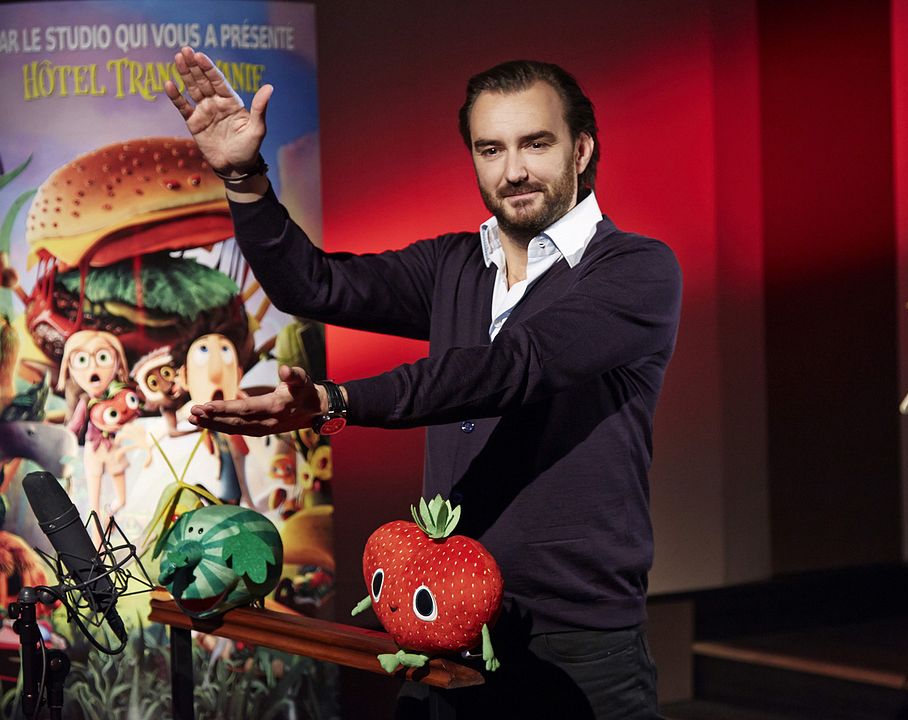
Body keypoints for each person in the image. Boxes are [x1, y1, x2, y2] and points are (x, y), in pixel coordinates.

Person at [165, 46, 681, 719]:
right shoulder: (454, 265)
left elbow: (511, 367)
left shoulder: (637, 270)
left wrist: (336, 401)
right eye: (490, 149)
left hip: (575, 641)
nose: (514, 169)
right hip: (439, 624)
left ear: (582, 149)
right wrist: (243, 177)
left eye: (536, 143)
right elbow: (314, 284)